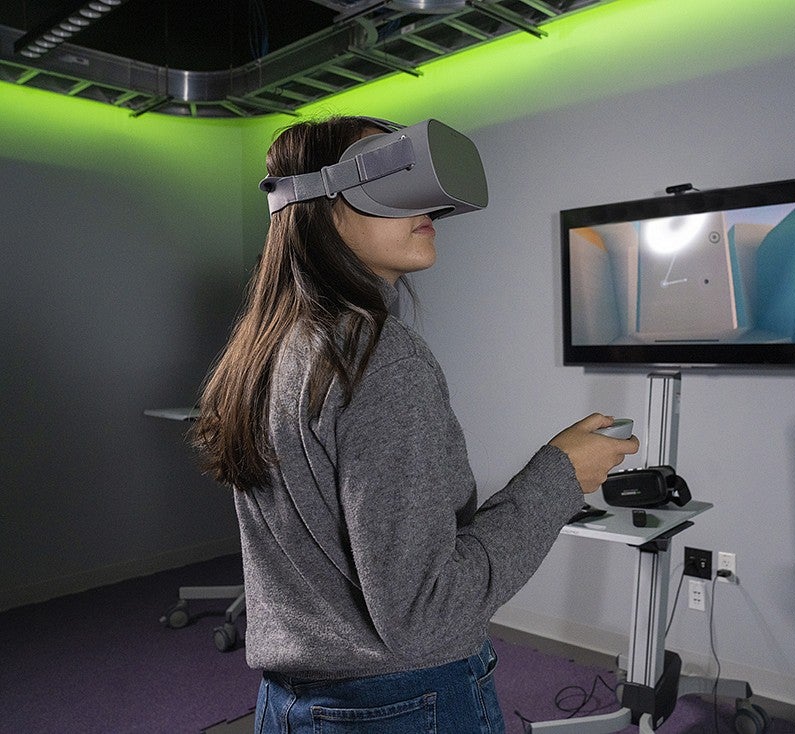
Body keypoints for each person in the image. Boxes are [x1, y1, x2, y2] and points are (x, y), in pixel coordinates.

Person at [190, 115, 640, 734]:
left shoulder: (270, 349)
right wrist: (560, 475)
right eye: (389, 174)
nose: (424, 202)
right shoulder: (376, 356)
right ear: (319, 203)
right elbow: (426, 614)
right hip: (401, 706)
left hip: (293, 703)